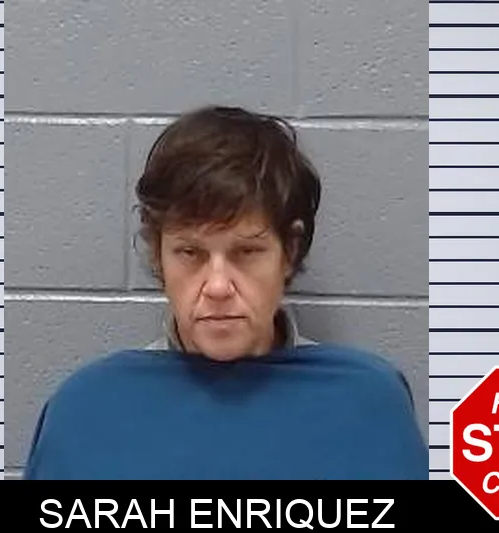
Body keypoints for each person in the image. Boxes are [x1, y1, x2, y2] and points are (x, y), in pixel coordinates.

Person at [22, 105, 428, 480]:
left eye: (247, 252)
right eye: (190, 253)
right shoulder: (88, 410)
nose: (217, 286)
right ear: (159, 256)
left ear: (288, 252)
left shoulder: (367, 404)